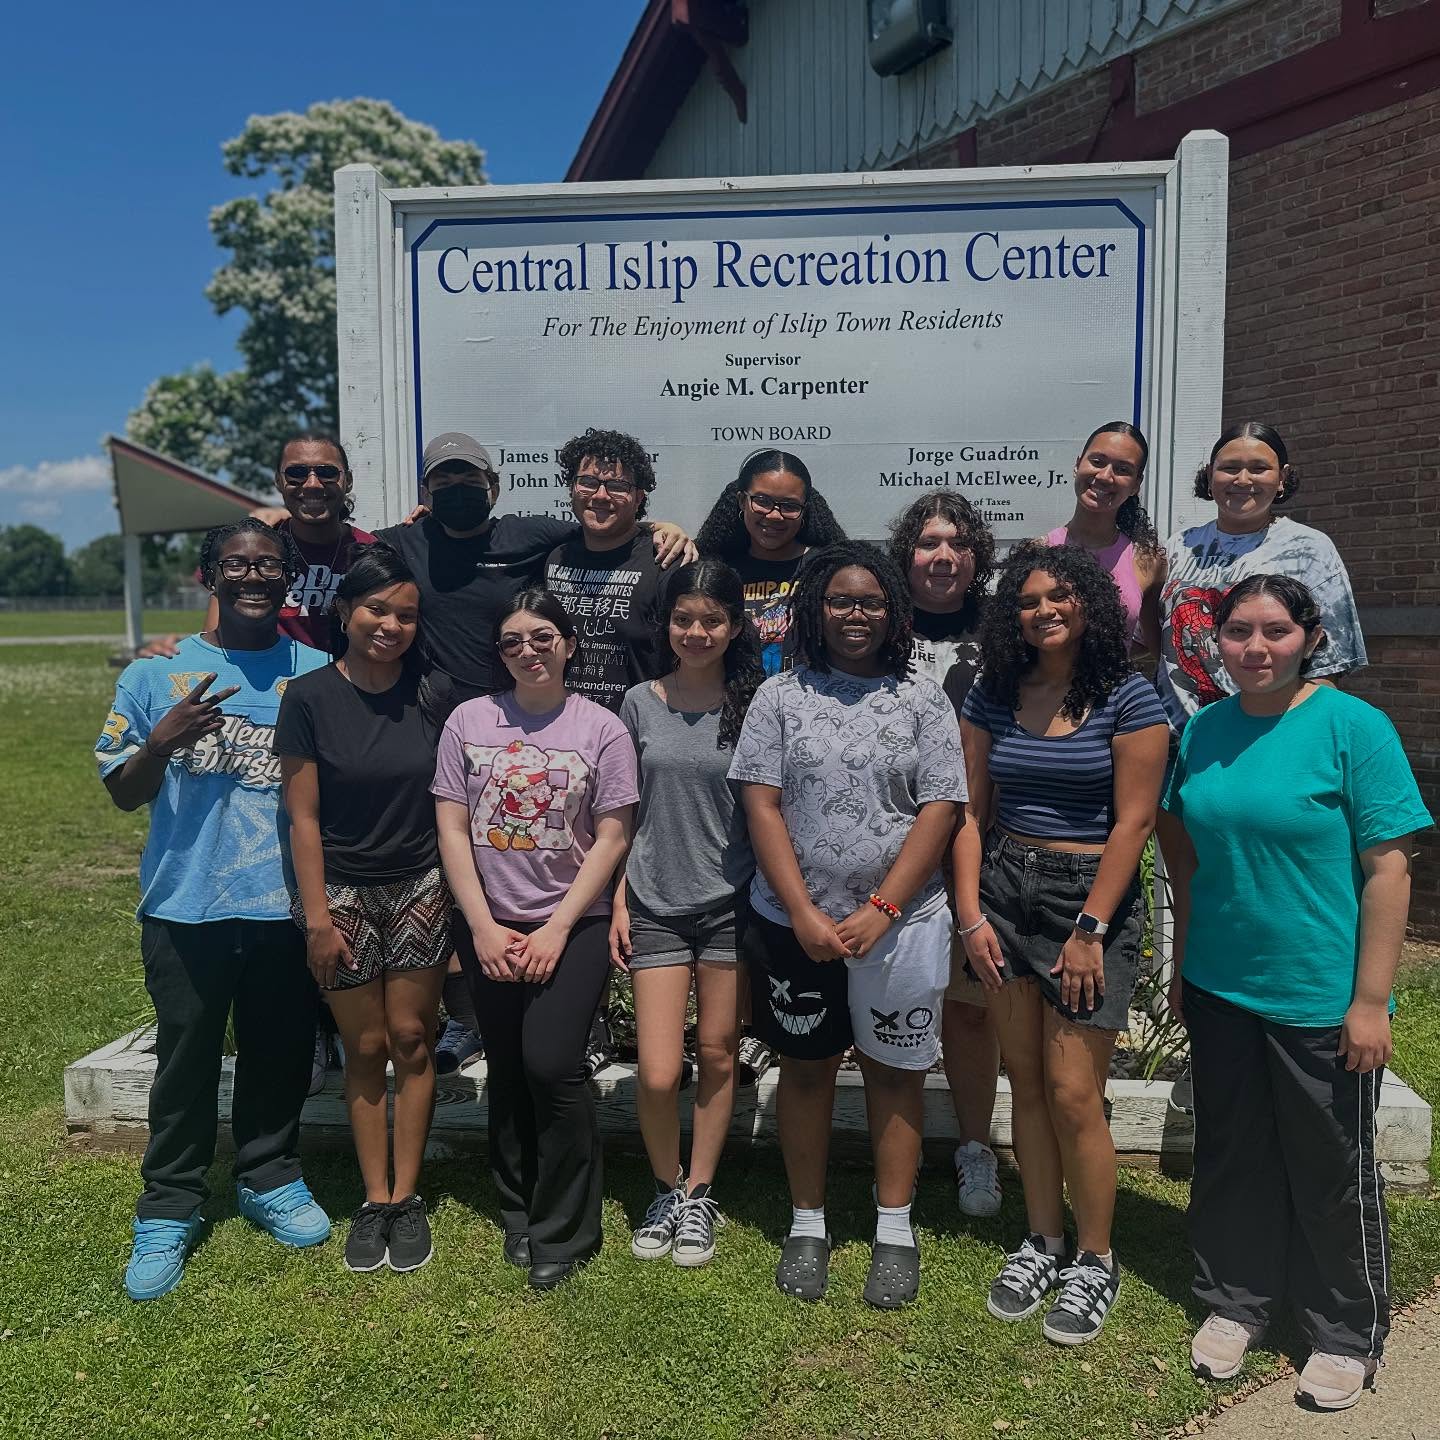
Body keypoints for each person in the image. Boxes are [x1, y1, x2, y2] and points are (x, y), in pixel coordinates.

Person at [1162, 575, 1430, 1412]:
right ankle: (1236, 1300)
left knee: (1330, 1168)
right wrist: (1182, 960)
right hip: (1221, 984)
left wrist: (1371, 1001)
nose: (1255, 647)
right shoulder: (1204, 729)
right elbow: (1189, 849)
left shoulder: (1354, 727)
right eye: (1239, 631)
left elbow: (1389, 869)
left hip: (1319, 995)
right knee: (1234, 1152)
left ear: (1311, 636)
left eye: (1275, 630)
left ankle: (1345, 1328)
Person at [96, 519, 332, 1302]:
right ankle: (169, 1204)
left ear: (288, 578)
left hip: (286, 907)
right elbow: (122, 793)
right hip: (186, 904)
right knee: (186, 1058)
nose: (253, 577)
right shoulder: (156, 674)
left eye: (268, 565)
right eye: (237, 565)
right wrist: (160, 743)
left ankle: (269, 1176)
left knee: (279, 1051)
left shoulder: (320, 673)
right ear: (211, 577)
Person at [729, 541, 966, 1309]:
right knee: (806, 1070)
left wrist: (883, 909)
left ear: (893, 610)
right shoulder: (780, 697)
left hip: (899, 925)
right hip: (795, 924)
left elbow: (942, 806)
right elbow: (760, 800)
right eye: (839, 600)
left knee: (895, 1073)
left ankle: (894, 1228)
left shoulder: (922, 697)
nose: (855, 615)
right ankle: (808, 1221)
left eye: (870, 601)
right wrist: (801, 911)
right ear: (814, 609)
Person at [955, 543, 1168, 1345]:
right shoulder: (995, 692)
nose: (1042, 610)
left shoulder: (1127, 696)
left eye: (1059, 597)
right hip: (1004, 892)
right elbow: (971, 809)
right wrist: (971, 914)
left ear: (1089, 605)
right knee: (1027, 1083)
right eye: (1028, 599)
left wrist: (1090, 930)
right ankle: (1042, 1239)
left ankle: (1095, 1259)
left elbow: (1134, 822)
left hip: (1087, 902)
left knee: (1076, 1092)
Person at [432, 588, 638, 1290]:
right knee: (510, 1071)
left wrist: (555, 927)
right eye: (514, 641)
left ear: (570, 644)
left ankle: (567, 1225)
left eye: (543, 636)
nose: (529, 651)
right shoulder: (468, 720)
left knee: (553, 1064)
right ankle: (518, 1207)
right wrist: (483, 927)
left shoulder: (601, 728)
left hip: (569, 922)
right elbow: (453, 827)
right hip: (486, 921)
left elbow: (613, 835)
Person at [275, 545, 451, 1276]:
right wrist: (316, 918)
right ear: (346, 611)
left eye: (406, 614)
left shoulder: (433, 693)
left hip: (419, 885)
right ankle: (371, 1198)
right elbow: (303, 819)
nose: (390, 625)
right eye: (378, 609)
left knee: (412, 1038)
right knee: (366, 1046)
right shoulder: (308, 698)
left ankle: (406, 1198)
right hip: (340, 893)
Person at [610, 561, 764, 1268]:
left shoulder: (757, 705)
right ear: (666, 624)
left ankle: (699, 1192)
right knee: (660, 1070)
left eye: (712, 620)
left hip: (731, 903)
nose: (696, 632)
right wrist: (617, 897)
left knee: (718, 1053)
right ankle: (663, 1187)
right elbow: (620, 810)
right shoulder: (638, 703)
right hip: (655, 903)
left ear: (735, 627)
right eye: (683, 619)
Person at [378, 432, 692, 728]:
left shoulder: (532, 537)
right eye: (444, 484)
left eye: (470, 481)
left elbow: (605, 526)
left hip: (601, 723)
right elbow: (350, 543)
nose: (600, 494)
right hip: (461, 718)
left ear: (494, 489)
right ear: (426, 493)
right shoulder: (406, 541)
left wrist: (658, 527)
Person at [887, 491, 1002, 1221]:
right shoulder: (875, 627)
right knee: (889, 1004)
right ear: (908, 554)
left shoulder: (1003, 634)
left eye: (958, 543)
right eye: (929, 542)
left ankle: (973, 1147)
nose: (943, 555)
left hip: (976, 840)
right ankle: (888, 1148)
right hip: (882, 845)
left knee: (967, 1012)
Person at [1157, 421, 1366, 734]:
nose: (1243, 480)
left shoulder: (1309, 549)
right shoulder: (1179, 546)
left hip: (1264, 737)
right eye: (1229, 468)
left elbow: (1327, 666)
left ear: (1281, 478)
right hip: (1176, 739)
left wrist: (1299, 741)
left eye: (1258, 468)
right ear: (1210, 475)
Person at [694, 449, 847, 677]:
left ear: (805, 510)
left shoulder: (828, 568)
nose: (775, 515)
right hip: (732, 704)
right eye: (762, 501)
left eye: (790, 506)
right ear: (741, 501)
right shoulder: (718, 569)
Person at [545, 429, 665, 714]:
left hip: (634, 731)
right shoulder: (555, 558)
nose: (601, 495)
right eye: (588, 482)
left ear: (638, 498)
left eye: (617, 486)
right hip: (562, 730)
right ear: (572, 489)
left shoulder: (663, 560)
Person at [1043, 421, 1163, 656]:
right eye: (1097, 462)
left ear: (1136, 485)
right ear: (1078, 465)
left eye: (1122, 469)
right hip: (1047, 692)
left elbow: (1158, 649)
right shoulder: (1038, 551)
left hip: (1115, 692)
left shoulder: (1149, 561)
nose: (1106, 476)